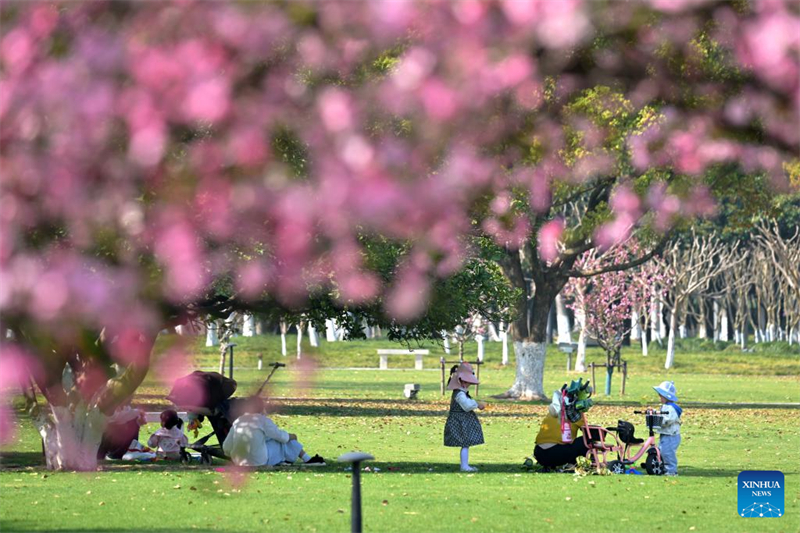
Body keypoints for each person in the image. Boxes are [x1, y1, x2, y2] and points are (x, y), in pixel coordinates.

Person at [222, 397, 325, 467]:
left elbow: (226, 447)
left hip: (238, 462)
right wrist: (293, 436)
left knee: (271, 440)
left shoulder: (238, 420)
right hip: (259, 461)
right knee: (285, 441)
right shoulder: (262, 420)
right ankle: (307, 459)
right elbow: (281, 437)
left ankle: (292, 460)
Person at [533, 379, 594, 470]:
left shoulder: (553, 412)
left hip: (539, 453)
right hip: (557, 454)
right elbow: (588, 432)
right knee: (586, 440)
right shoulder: (575, 415)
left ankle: (549, 465)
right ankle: (574, 464)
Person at [443, 362, 486, 472]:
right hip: (460, 421)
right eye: (467, 382)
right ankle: (464, 466)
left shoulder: (462, 393)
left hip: (463, 420)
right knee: (465, 443)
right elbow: (466, 406)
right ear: (460, 381)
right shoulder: (459, 394)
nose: (468, 384)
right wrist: (476, 404)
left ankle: (465, 465)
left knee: (466, 443)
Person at [652, 380, 682, 476]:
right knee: (662, 451)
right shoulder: (665, 406)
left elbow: (668, 420)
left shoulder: (672, 408)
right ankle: (665, 469)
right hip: (665, 434)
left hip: (671, 435)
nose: (659, 397)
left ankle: (672, 471)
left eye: (661, 395)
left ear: (666, 396)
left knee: (667, 453)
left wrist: (659, 419)